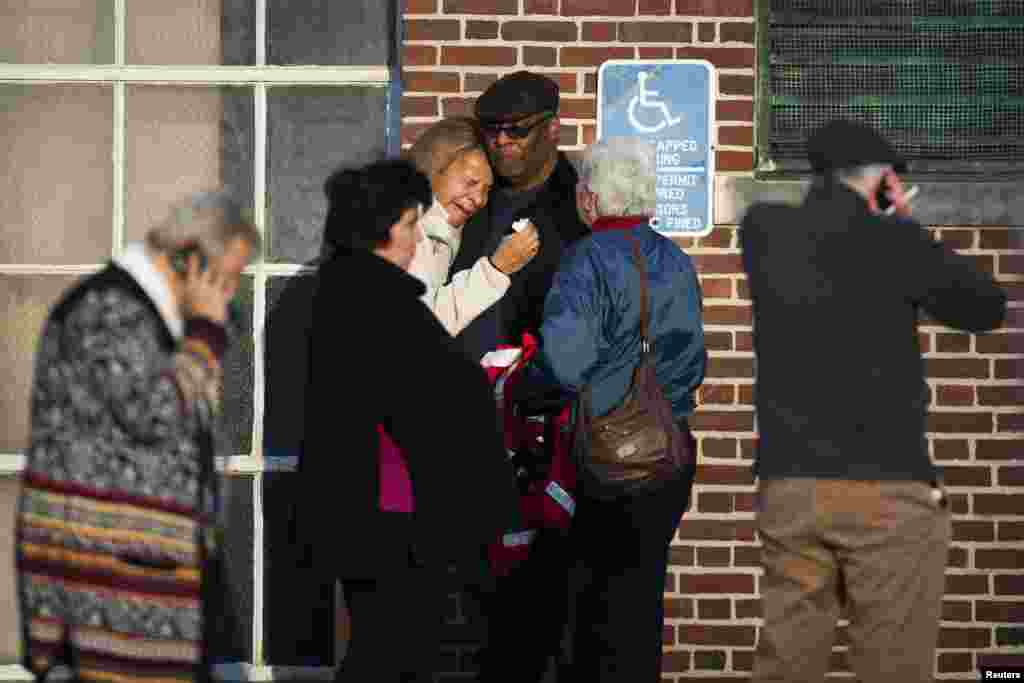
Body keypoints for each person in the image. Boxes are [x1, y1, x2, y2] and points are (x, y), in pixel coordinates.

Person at [740, 119, 1007, 683]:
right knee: (892, 665)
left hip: (791, 486)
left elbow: (815, 231)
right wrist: (907, 224)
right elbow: (984, 308)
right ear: (883, 180)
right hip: (886, 484)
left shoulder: (765, 233)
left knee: (788, 663)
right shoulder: (896, 242)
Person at [479, 137, 707, 682]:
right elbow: (691, 367)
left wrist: (514, 389)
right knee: (640, 605)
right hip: (666, 458)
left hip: (600, 462)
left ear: (590, 199)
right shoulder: (676, 260)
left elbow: (563, 364)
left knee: (588, 610)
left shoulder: (586, 261)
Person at [15, 192, 261, 683]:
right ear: (192, 262)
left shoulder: (151, 320)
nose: (228, 296)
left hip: (139, 572)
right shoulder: (110, 309)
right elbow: (154, 413)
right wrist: (207, 334)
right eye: (227, 279)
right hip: (101, 581)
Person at [296, 159, 519, 683]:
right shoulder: (377, 301)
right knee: (393, 653)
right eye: (411, 223)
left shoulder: (347, 290)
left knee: (385, 648)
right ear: (385, 227)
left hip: (371, 513)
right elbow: (432, 405)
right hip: (391, 516)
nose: (420, 238)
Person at [452, 70, 591, 360]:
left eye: (517, 130)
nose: (502, 140)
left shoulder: (583, 205)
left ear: (552, 129)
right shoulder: (465, 198)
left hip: (546, 394)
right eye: (492, 129)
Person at [405, 116, 540, 335]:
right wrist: (496, 269)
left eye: (486, 189)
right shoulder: (404, 230)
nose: (479, 199)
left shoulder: (438, 232)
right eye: (471, 182)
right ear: (433, 168)